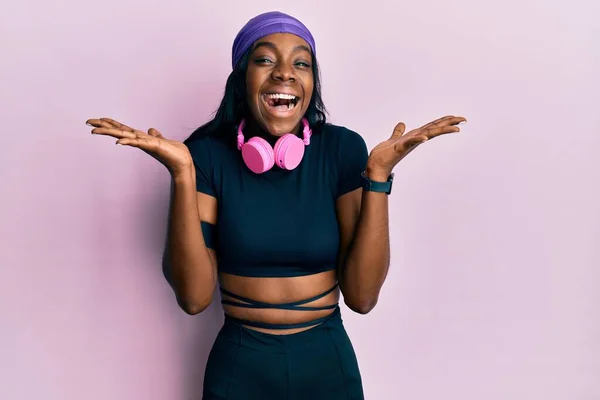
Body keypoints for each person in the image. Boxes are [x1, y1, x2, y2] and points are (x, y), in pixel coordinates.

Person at [86, 10, 466, 400]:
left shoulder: (342, 150)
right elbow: (194, 298)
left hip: (326, 362)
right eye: (265, 59)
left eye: (301, 63)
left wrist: (378, 177)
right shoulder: (205, 155)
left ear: (311, 83)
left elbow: (362, 298)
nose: (285, 73)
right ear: (241, 78)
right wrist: (183, 172)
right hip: (240, 365)